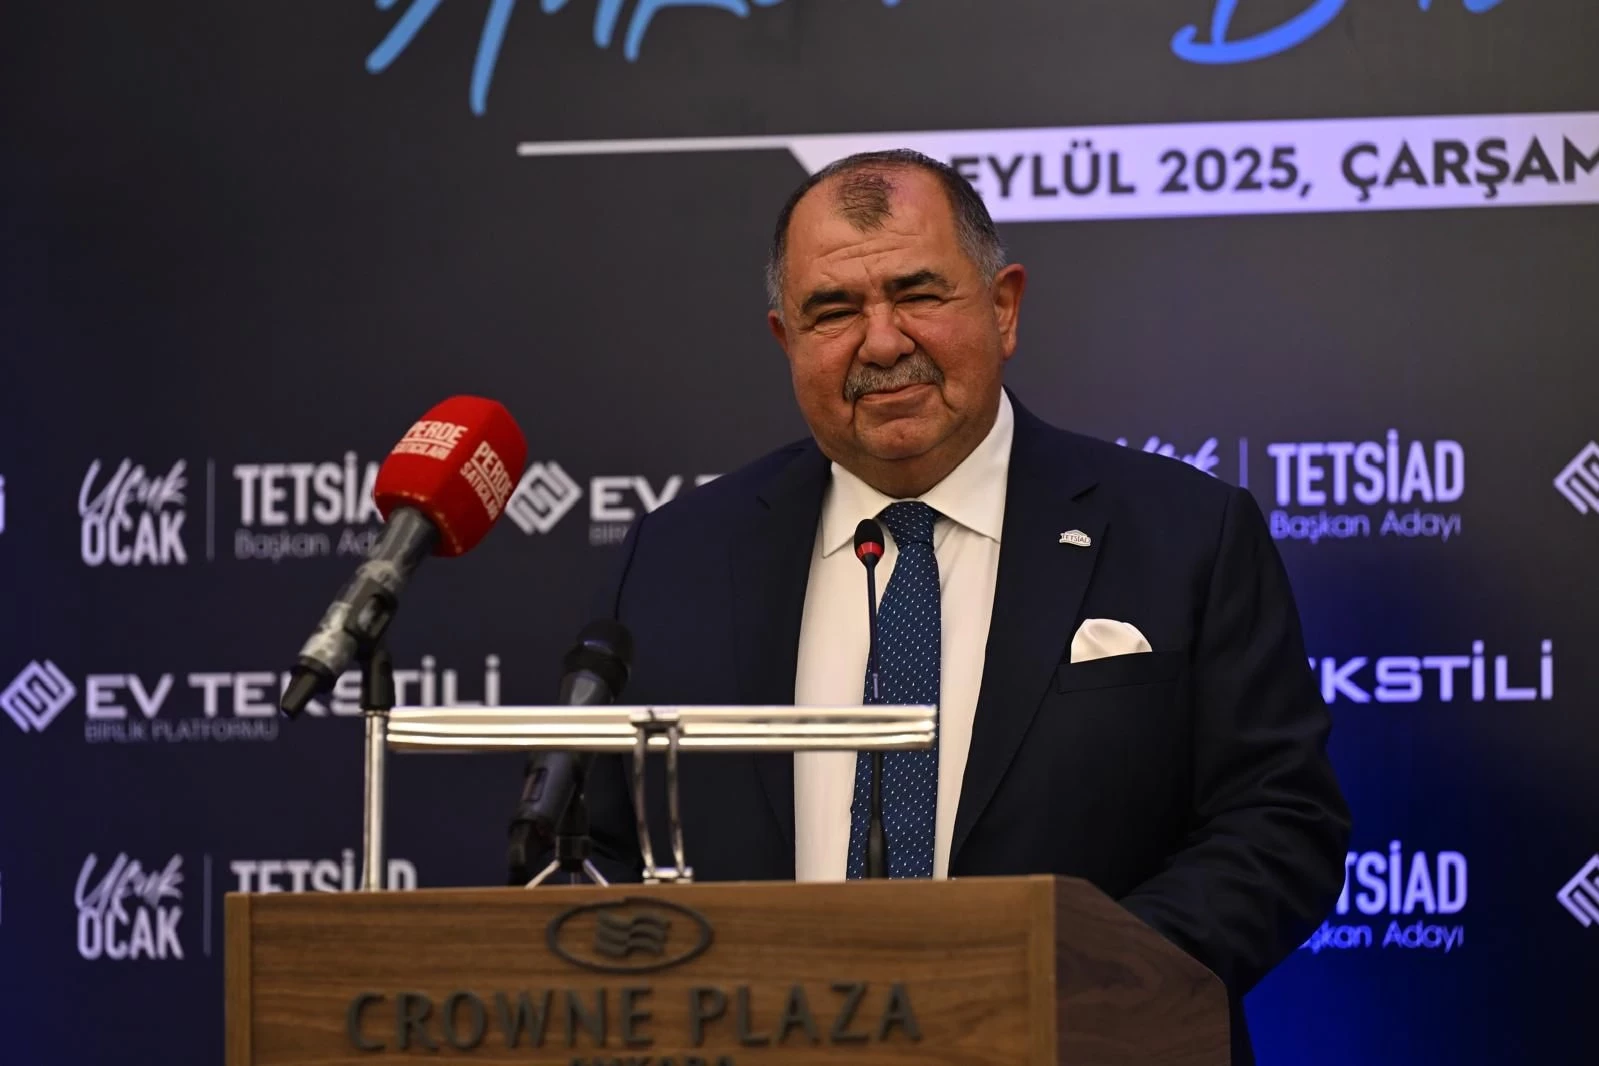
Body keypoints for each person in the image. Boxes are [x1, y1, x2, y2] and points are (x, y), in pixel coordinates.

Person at [574, 149, 1351, 1065]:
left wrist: (1071, 989)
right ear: (786, 339)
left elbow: (1276, 822)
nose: (881, 343)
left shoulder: (1184, 532)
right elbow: (595, 846)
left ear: (1003, 306)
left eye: (917, 294)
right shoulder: (679, 556)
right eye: (834, 311)